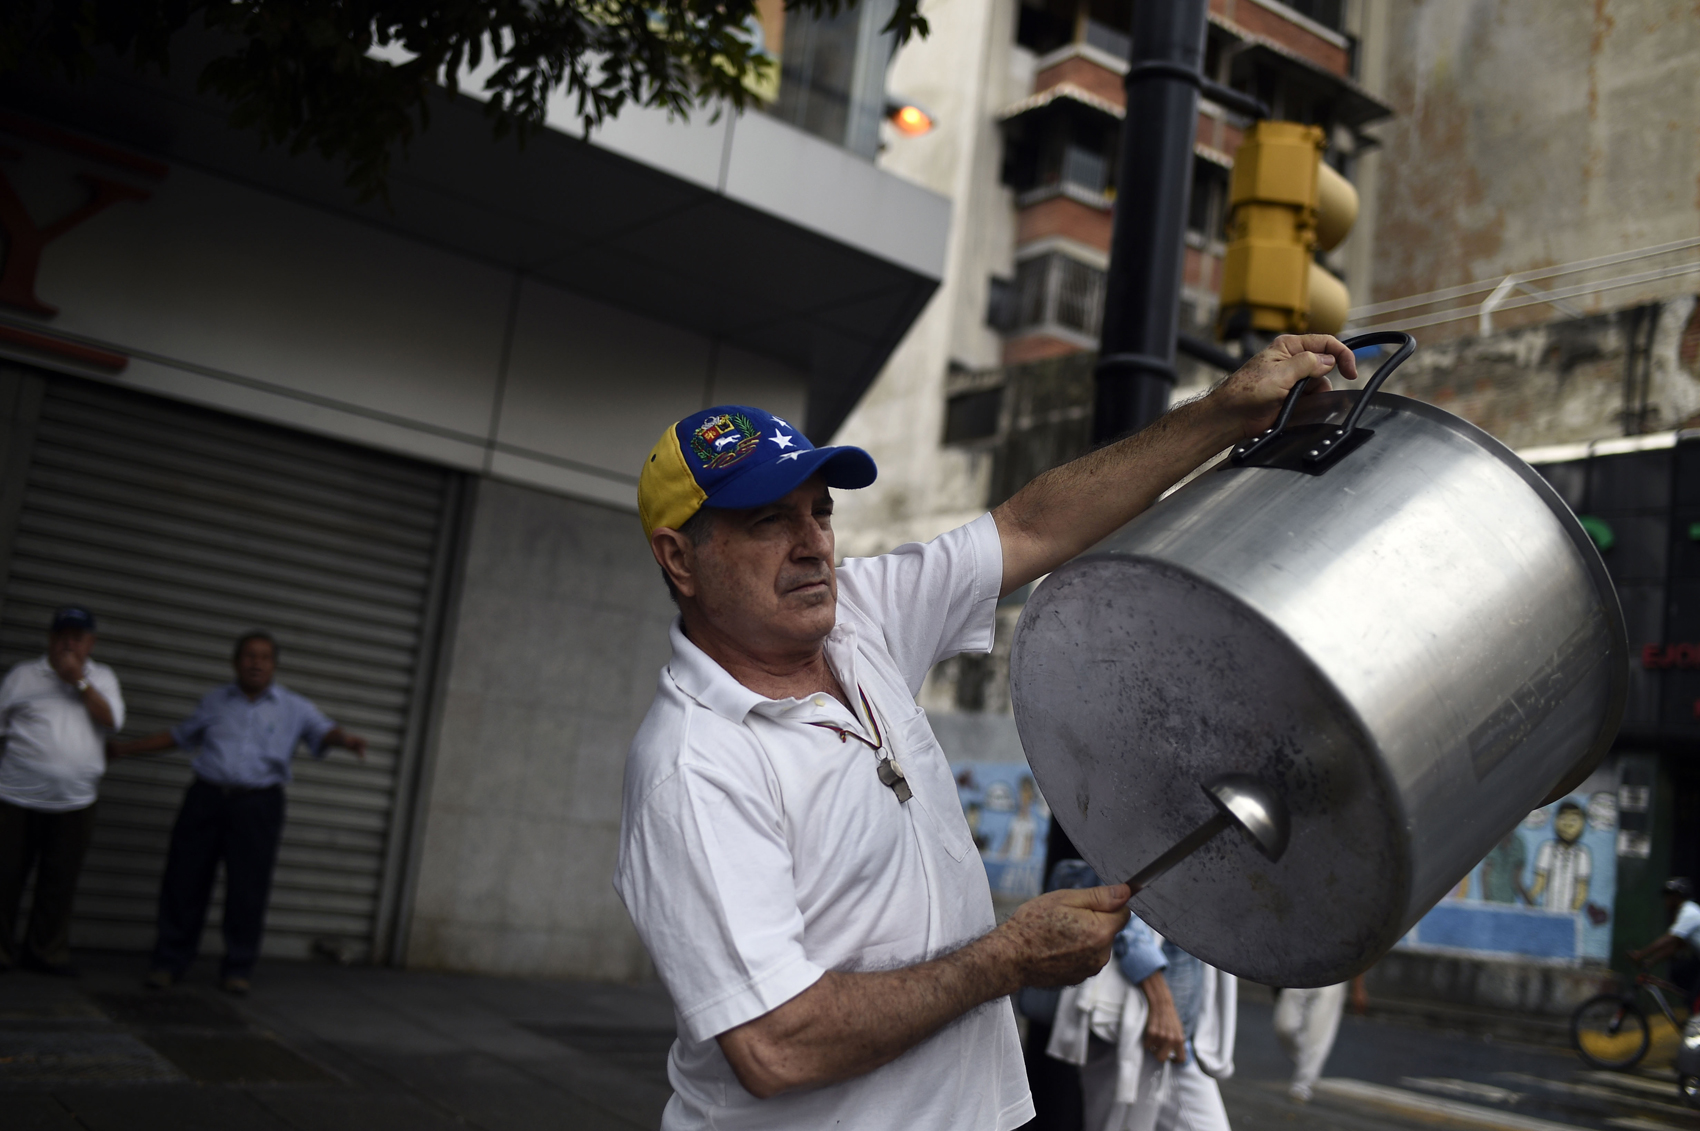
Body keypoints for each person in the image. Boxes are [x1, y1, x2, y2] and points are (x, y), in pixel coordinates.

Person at [615, 334, 1359, 1130]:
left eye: (821, 513)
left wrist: (1224, 413)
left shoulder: (860, 618)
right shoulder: (694, 767)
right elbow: (775, 1045)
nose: (813, 544)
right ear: (679, 560)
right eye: (770, 520)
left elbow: (1031, 525)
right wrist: (1006, 960)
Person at [107, 631, 366, 995]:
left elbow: (325, 730)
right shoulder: (214, 701)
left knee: (248, 889)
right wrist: (126, 749)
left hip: (258, 805)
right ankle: (168, 962)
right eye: (249, 656)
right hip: (206, 799)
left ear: (274, 665)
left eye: (264, 657)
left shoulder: (294, 707)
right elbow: (179, 736)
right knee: (184, 882)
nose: (256, 663)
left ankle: (238, 968)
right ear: (235, 662)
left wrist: (346, 740)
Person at [0, 606, 124, 975]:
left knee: (60, 883)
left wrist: (79, 683)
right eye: (63, 635)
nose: (69, 642)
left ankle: (45, 953)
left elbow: (113, 721)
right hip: (15, 797)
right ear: (51, 638)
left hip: (75, 801)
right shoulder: (23, 675)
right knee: (4, 878)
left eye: (78, 636)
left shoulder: (103, 677)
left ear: (91, 642)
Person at [1628, 876, 1700, 1003]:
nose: (1666, 899)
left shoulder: (1689, 912)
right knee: (1687, 989)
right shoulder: (1684, 913)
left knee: (1694, 1000)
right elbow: (1675, 946)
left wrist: (1640, 954)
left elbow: (1669, 938)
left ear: (1677, 897)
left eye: (1669, 895)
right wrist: (1651, 961)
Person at [1529, 801, 1590, 912]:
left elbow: (1582, 890)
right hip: (1548, 912)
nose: (1568, 824)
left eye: (1574, 820)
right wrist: (1529, 900)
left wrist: (1572, 912)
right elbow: (1539, 883)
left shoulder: (1582, 854)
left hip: (1569, 915)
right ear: (1556, 821)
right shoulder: (1547, 849)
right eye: (1563, 818)